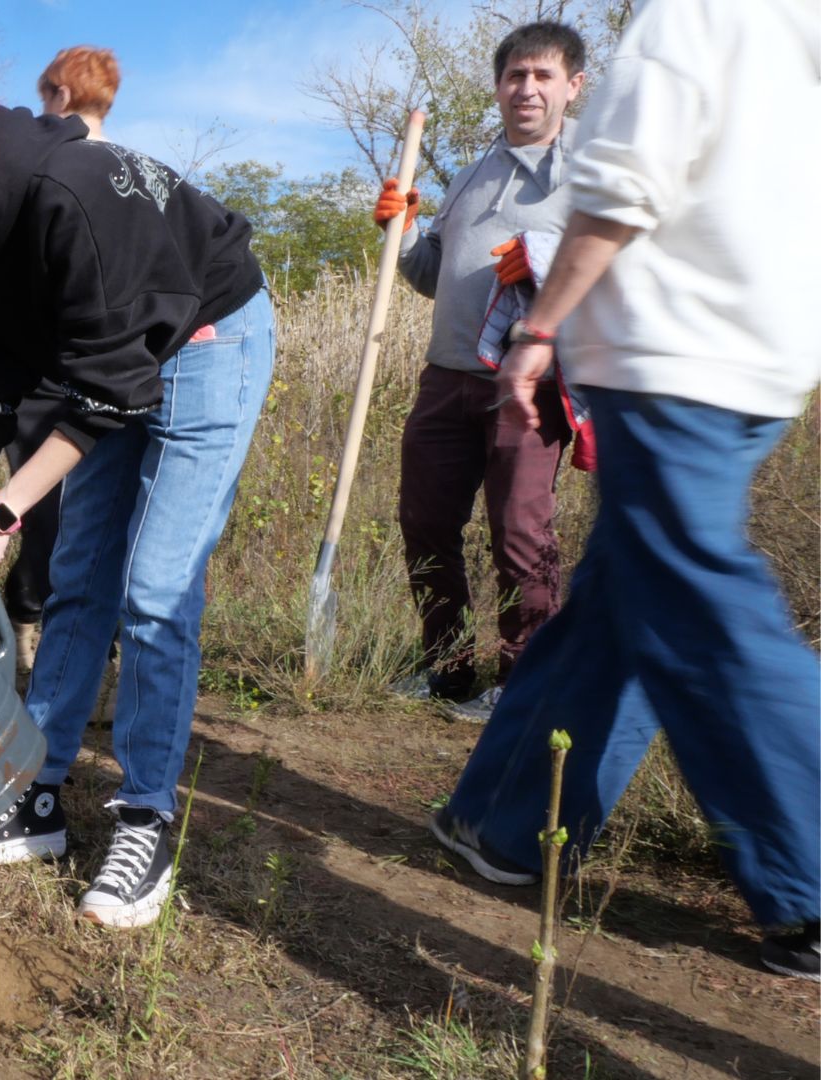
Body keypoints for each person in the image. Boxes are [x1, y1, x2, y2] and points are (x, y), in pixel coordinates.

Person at [428, 0, 819, 980]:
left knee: (699, 607)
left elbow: (626, 184)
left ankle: (810, 875)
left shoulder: (698, 15)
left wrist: (540, 325)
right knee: (616, 601)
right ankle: (509, 822)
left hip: (671, 359)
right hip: (761, 363)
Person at [0, 81, 273, 928]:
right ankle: (35, 788)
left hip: (211, 339)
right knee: (78, 576)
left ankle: (145, 820)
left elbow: (109, 388)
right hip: (106, 366)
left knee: (155, 587)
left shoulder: (70, 191)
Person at [377, 22, 588, 721]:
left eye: (542, 76)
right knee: (426, 522)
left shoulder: (591, 173)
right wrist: (403, 230)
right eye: (514, 76)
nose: (526, 89)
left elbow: (617, 273)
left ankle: (521, 686)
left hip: (529, 385)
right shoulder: (473, 173)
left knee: (521, 534)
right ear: (498, 87)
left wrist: (548, 256)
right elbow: (432, 276)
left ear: (572, 86)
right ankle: (448, 669)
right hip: (446, 379)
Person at [0, 44, 125, 676]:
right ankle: (43, 639)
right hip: (108, 372)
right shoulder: (125, 168)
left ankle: (34, 637)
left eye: (45, 99)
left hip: (59, 372)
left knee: (44, 513)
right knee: (90, 519)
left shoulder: (52, 166)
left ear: (58, 95)